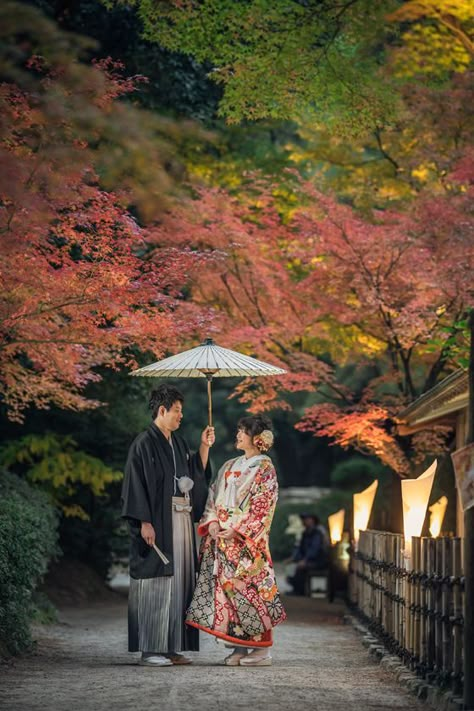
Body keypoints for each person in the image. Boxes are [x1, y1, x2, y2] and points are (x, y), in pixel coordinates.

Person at [121, 384, 215, 667]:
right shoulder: (143, 443)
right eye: (176, 411)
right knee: (157, 582)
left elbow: (195, 475)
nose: (180, 416)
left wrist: (204, 446)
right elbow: (135, 485)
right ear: (162, 410)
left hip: (181, 520)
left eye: (181, 411)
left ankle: (173, 646)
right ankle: (151, 649)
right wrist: (144, 522)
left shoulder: (179, 443)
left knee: (181, 580)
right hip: (157, 522)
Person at [186, 415, 286, 667]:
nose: (238, 434)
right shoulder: (230, 465)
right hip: (223, 540)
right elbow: (213, 494)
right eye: (239, 430)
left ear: (257, 438)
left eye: (243, 431)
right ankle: (240, 648)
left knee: (251, 593)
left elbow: (263, 506)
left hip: (247, 543)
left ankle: (262, 650)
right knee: (230, 597)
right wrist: (214, 522)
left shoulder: (265, 468)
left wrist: (238, 529)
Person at [287, 513, 329, 596]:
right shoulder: (305, 533)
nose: (304, 521)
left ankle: (299, 591)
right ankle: (296, 587)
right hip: (308, 559)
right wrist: (295, 558)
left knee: (301, 567)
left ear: (312, 520)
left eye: (307, 519)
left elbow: (314, 549)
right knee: (292, 567)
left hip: (318, 560)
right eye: (304, 519)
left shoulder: (317, 533)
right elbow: (300, 548)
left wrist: (305, 560)